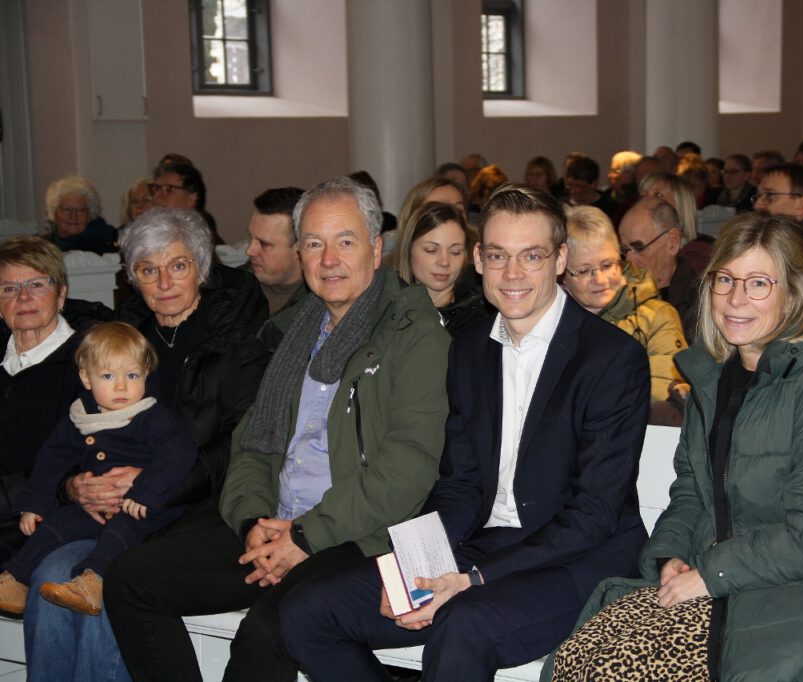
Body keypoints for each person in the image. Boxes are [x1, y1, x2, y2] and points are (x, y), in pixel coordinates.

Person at [278, 183, 651, 681]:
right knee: (306, 613)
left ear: (560, 259)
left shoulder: (610, 359)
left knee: (461, 625)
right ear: (478, 259)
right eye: (497, 256)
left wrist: (472, 579)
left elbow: (594, 514)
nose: (512, 274)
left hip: (578, 562)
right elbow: (458, 485)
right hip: (482, 546)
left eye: (531, 256)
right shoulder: (470, 349)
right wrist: (414, 567)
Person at [104, 178, 451, 682]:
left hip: (357, 537)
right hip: (275, 524)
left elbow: (408, 468)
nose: (329, 259)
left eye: (345, 241)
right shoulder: (292, 331)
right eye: (313, 243)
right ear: (301, 254)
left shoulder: (412, 333)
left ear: (376, 250)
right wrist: (253, 521)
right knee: (130, 579)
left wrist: (305, 537)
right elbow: (251, 445)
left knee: (267, 633)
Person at [549, 212, 803, 681]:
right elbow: (691, 494)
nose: (736, 299)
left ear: (794, 292)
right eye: (725, 280)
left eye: (759, 283)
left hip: (788, 590)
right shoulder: (714, 377)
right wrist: (669, 557)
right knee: (579, 655)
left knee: (613, 670)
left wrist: (709, 574)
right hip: (715, 581)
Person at [20, 207, 269, 682]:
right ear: (134, 278)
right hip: (110, 509)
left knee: (114, 577)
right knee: (51, 573)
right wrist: (74, 487)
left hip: (195, 507)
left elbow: (240, 444)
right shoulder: (120, 336)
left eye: (178, 265)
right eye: (148, 270)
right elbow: (74, 428)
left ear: (201, 267)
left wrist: (155, 485)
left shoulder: (236, 339)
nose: (165, 282)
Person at [0, 323, 196, 617]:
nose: (121, 387)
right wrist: (34, 505)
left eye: (132, 376)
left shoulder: (151, 416)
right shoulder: (80, 416)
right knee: (57, 523)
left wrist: (145, 493)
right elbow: (51, 459)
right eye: (108, 376)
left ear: (146, 375)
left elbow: (179, 452)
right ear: (86, 378)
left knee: (121, 530)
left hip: (146, 509)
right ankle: (16, 581)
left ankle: (93, 583)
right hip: (94, 509)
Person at [0, 236, 114, 560]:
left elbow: (87, 461)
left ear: (61, 294)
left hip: (48, 520)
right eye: (9, 288)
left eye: (37, 284)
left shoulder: (91, 362)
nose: (23, 297)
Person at [563, 206, 687, 425]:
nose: (600, 279)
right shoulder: (548, 322)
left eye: (607, 265)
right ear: (562, 277)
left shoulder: (658, 317)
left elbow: (661, 397)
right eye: (584, 270)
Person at [619, 196, 710, 343]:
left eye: (639, 248)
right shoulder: (618, 293)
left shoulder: (700, 302)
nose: (629, 260)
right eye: (625, 250)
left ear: (672, 242)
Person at [397, 202, 489, 335]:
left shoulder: (482, 317)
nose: (444, 262)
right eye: (431, 250)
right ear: (409, 250)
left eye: (455, 252)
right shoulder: (384, 307)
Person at [243, 187, 309, 349]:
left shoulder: (323, 307)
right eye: (251, 237)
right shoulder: (227, 289)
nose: (250, 251)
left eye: (264, 244)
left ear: (300, 248)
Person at [42, 176, 118, 255]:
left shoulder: (104, 244)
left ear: (89, 214)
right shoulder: (41, 247)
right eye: (67, 210)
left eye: (81, 210)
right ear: (54, 212)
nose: (73, 216)